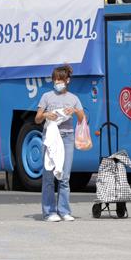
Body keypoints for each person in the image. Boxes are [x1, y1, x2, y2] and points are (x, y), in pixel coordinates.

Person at [34, 65, 85, 222]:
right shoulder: (46, 96)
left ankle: (64, 211)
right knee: (49, 175)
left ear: (67, 80)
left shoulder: (73, 98)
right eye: (55, 79)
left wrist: (74, 112)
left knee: (64, 176)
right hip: (50, 138)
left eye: (60, 80)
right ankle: (49, 212)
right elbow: (37, 119)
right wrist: (45, 114)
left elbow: (82, 118)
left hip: (67, 138)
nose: (57, 82)